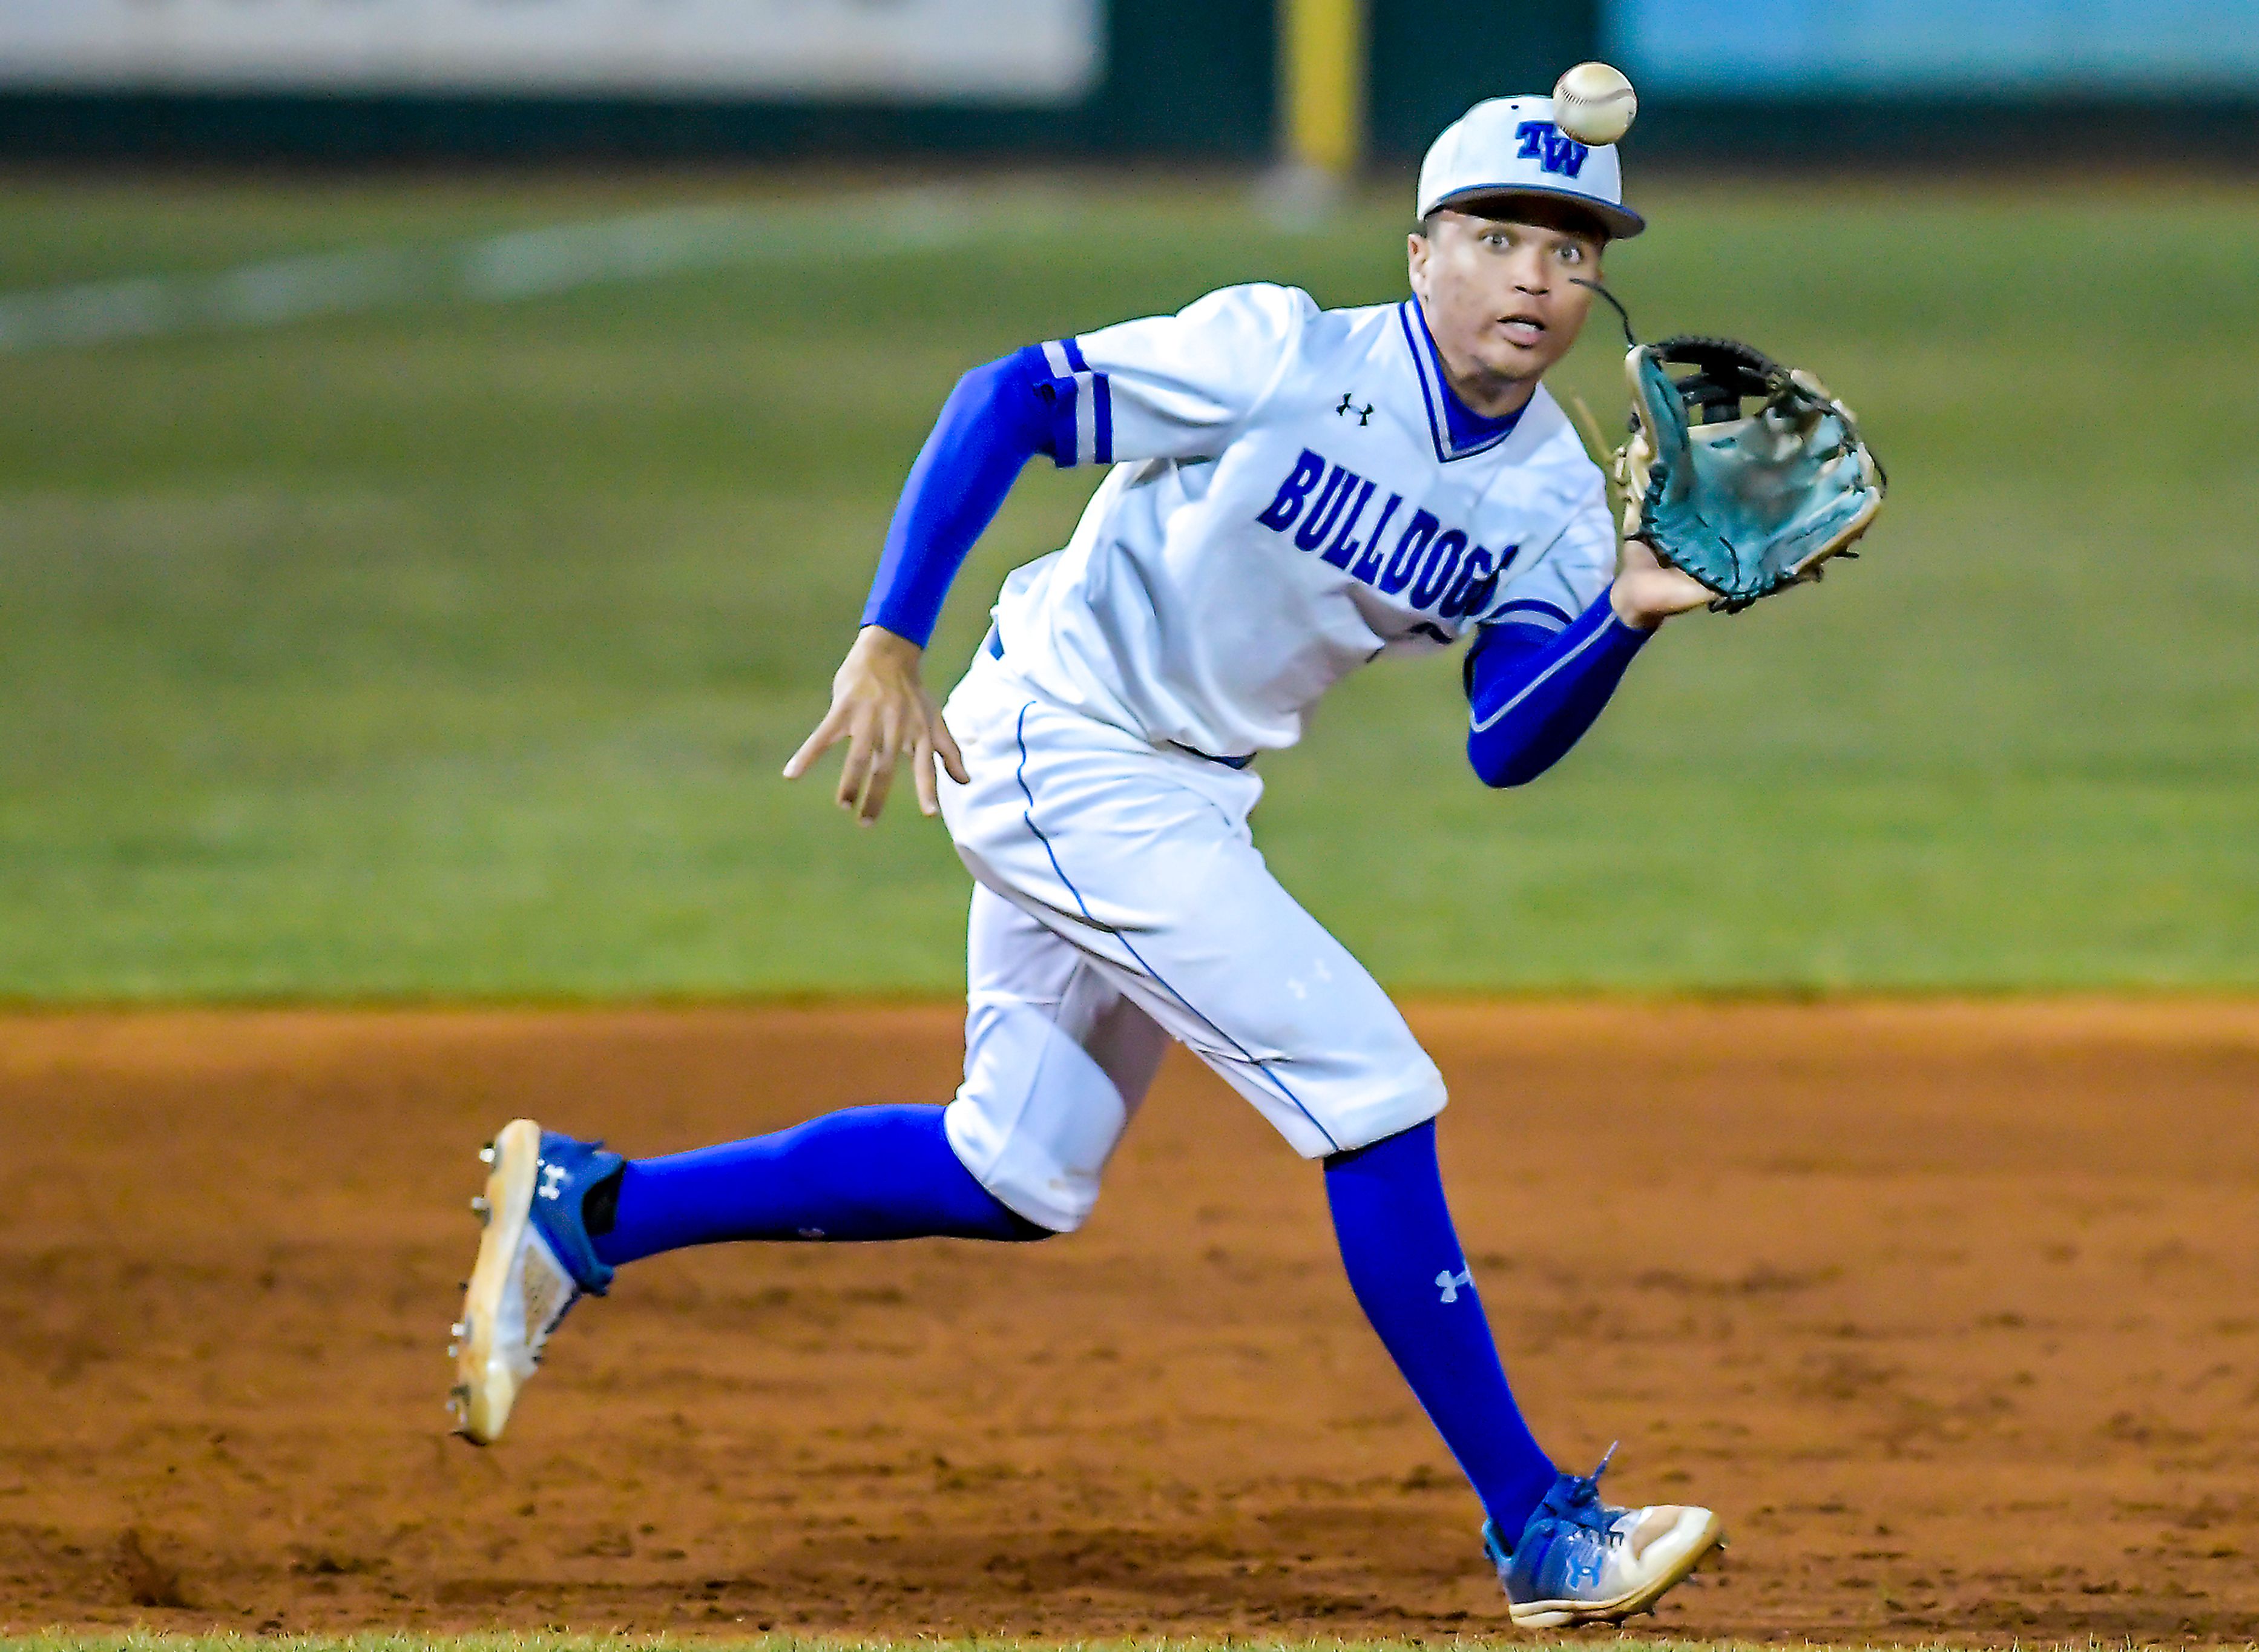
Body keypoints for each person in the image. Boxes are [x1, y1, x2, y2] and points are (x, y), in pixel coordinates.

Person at [449, 93, 1726, 1628]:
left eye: (1573, 249)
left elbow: (1504, 739)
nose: (1535, 276)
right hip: (1061, 743)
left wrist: (1628, 617)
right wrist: (887, 634)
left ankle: (589, 1213)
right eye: (1500, 236)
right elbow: (1011, 398)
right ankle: (1536, 1526)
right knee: (1374, 1090)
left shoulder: (1550, 498)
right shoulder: (1284, 356)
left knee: (1017, 1170)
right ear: (1423, 250)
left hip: (1185, 794)